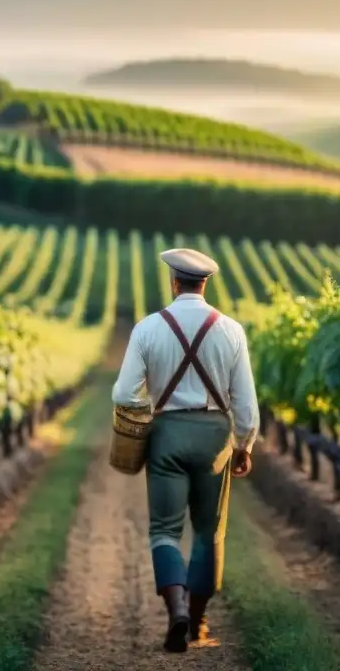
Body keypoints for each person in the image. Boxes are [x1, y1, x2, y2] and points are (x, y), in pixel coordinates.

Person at [112, 247, 260, 654]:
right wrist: (244, 444)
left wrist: (152, 411)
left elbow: (123, 393)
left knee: (164, 529)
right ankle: (197, 623)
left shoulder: (148, 328)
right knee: (210, 532)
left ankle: (175, 608)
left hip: (166, 435)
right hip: (214, 437)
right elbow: (245, 404)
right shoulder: (231, 330)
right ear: (205, 283)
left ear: (174, 281)